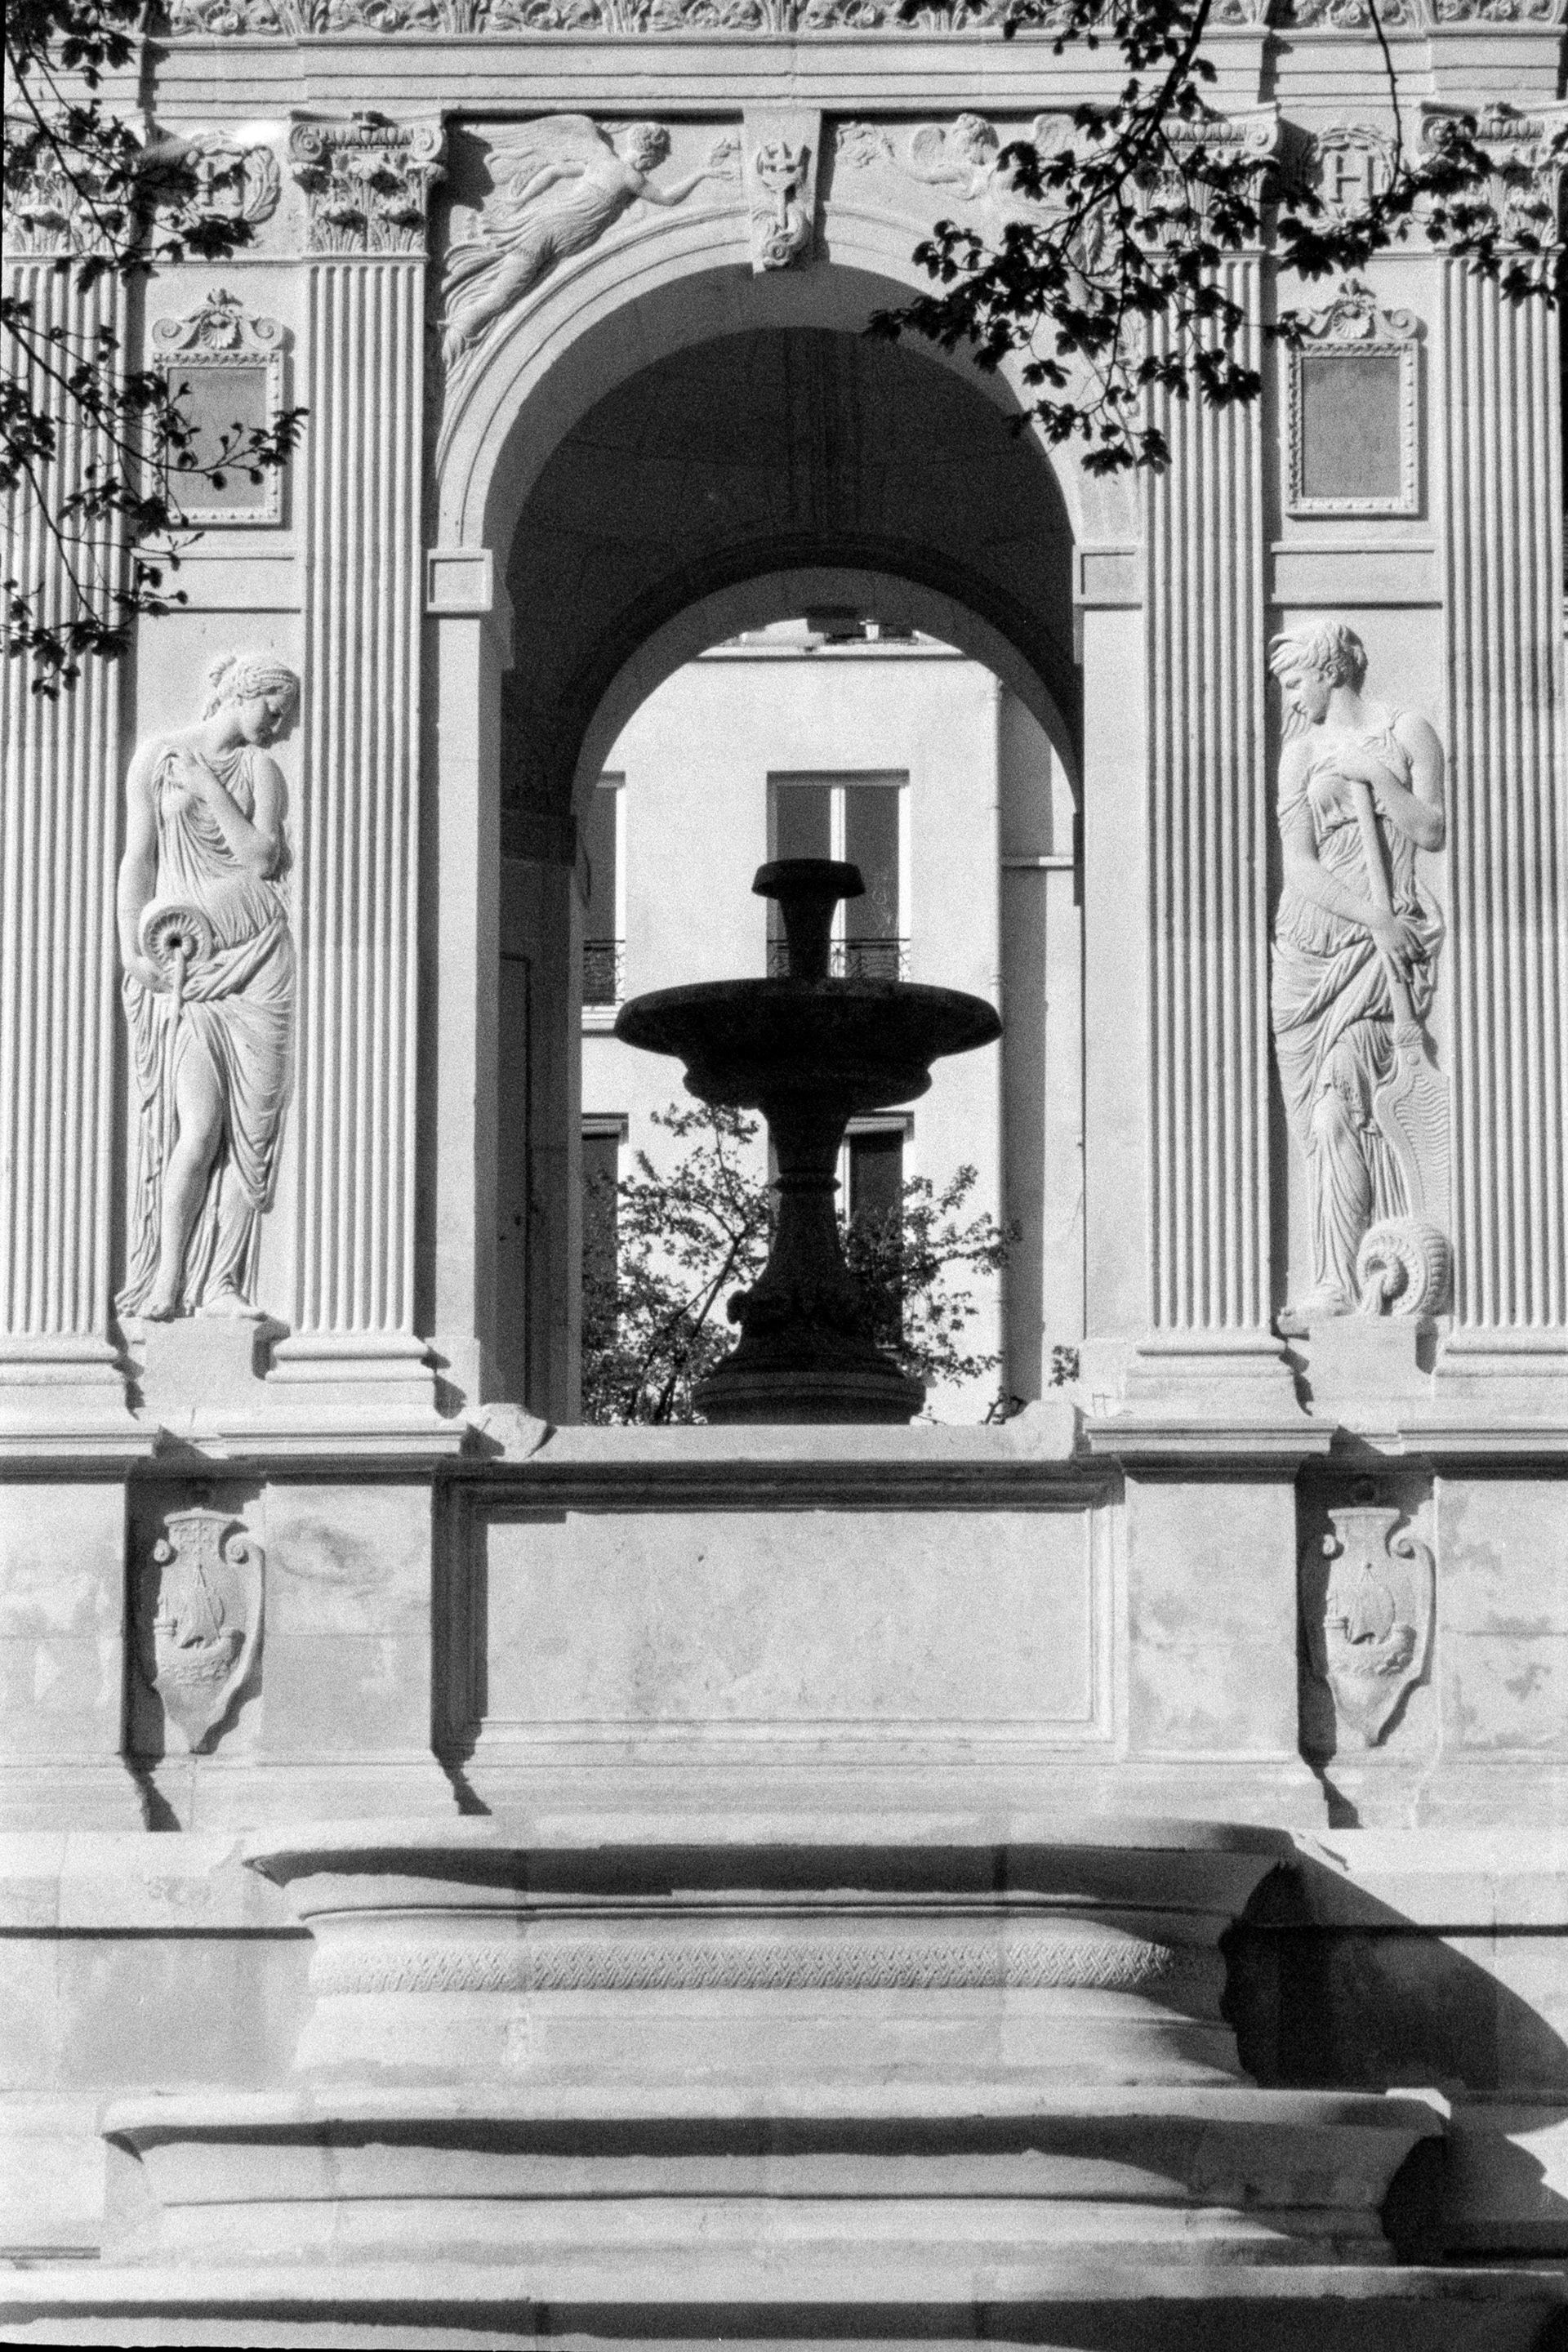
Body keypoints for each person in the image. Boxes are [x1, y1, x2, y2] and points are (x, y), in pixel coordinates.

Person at [1267, 622, 1446, 1325]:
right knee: (1315, 1125)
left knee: (1343, 1105)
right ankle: (1335, 1273)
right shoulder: (1299, 754)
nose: (1290, 698)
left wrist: (1376, 776)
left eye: (1294, 682)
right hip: (1312, 944)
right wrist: (1369, 919)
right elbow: (1299, 866)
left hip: (1385, 951)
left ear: (1328, 671)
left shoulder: (1407, 730)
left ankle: (1356, 1280)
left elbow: (1430, 830)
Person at [117, 651, 299, 1322]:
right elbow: (138, 858)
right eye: (273, 710)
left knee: (252, 1136)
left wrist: (208, 786)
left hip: (261, 966)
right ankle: (169, 1280)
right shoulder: (158, 757)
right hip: (189, 970)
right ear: (242, 693)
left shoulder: (259, 769)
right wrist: (130, 950)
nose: (279, 727)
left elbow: (263, 858)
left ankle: (223, 1281)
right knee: (198, 1128)